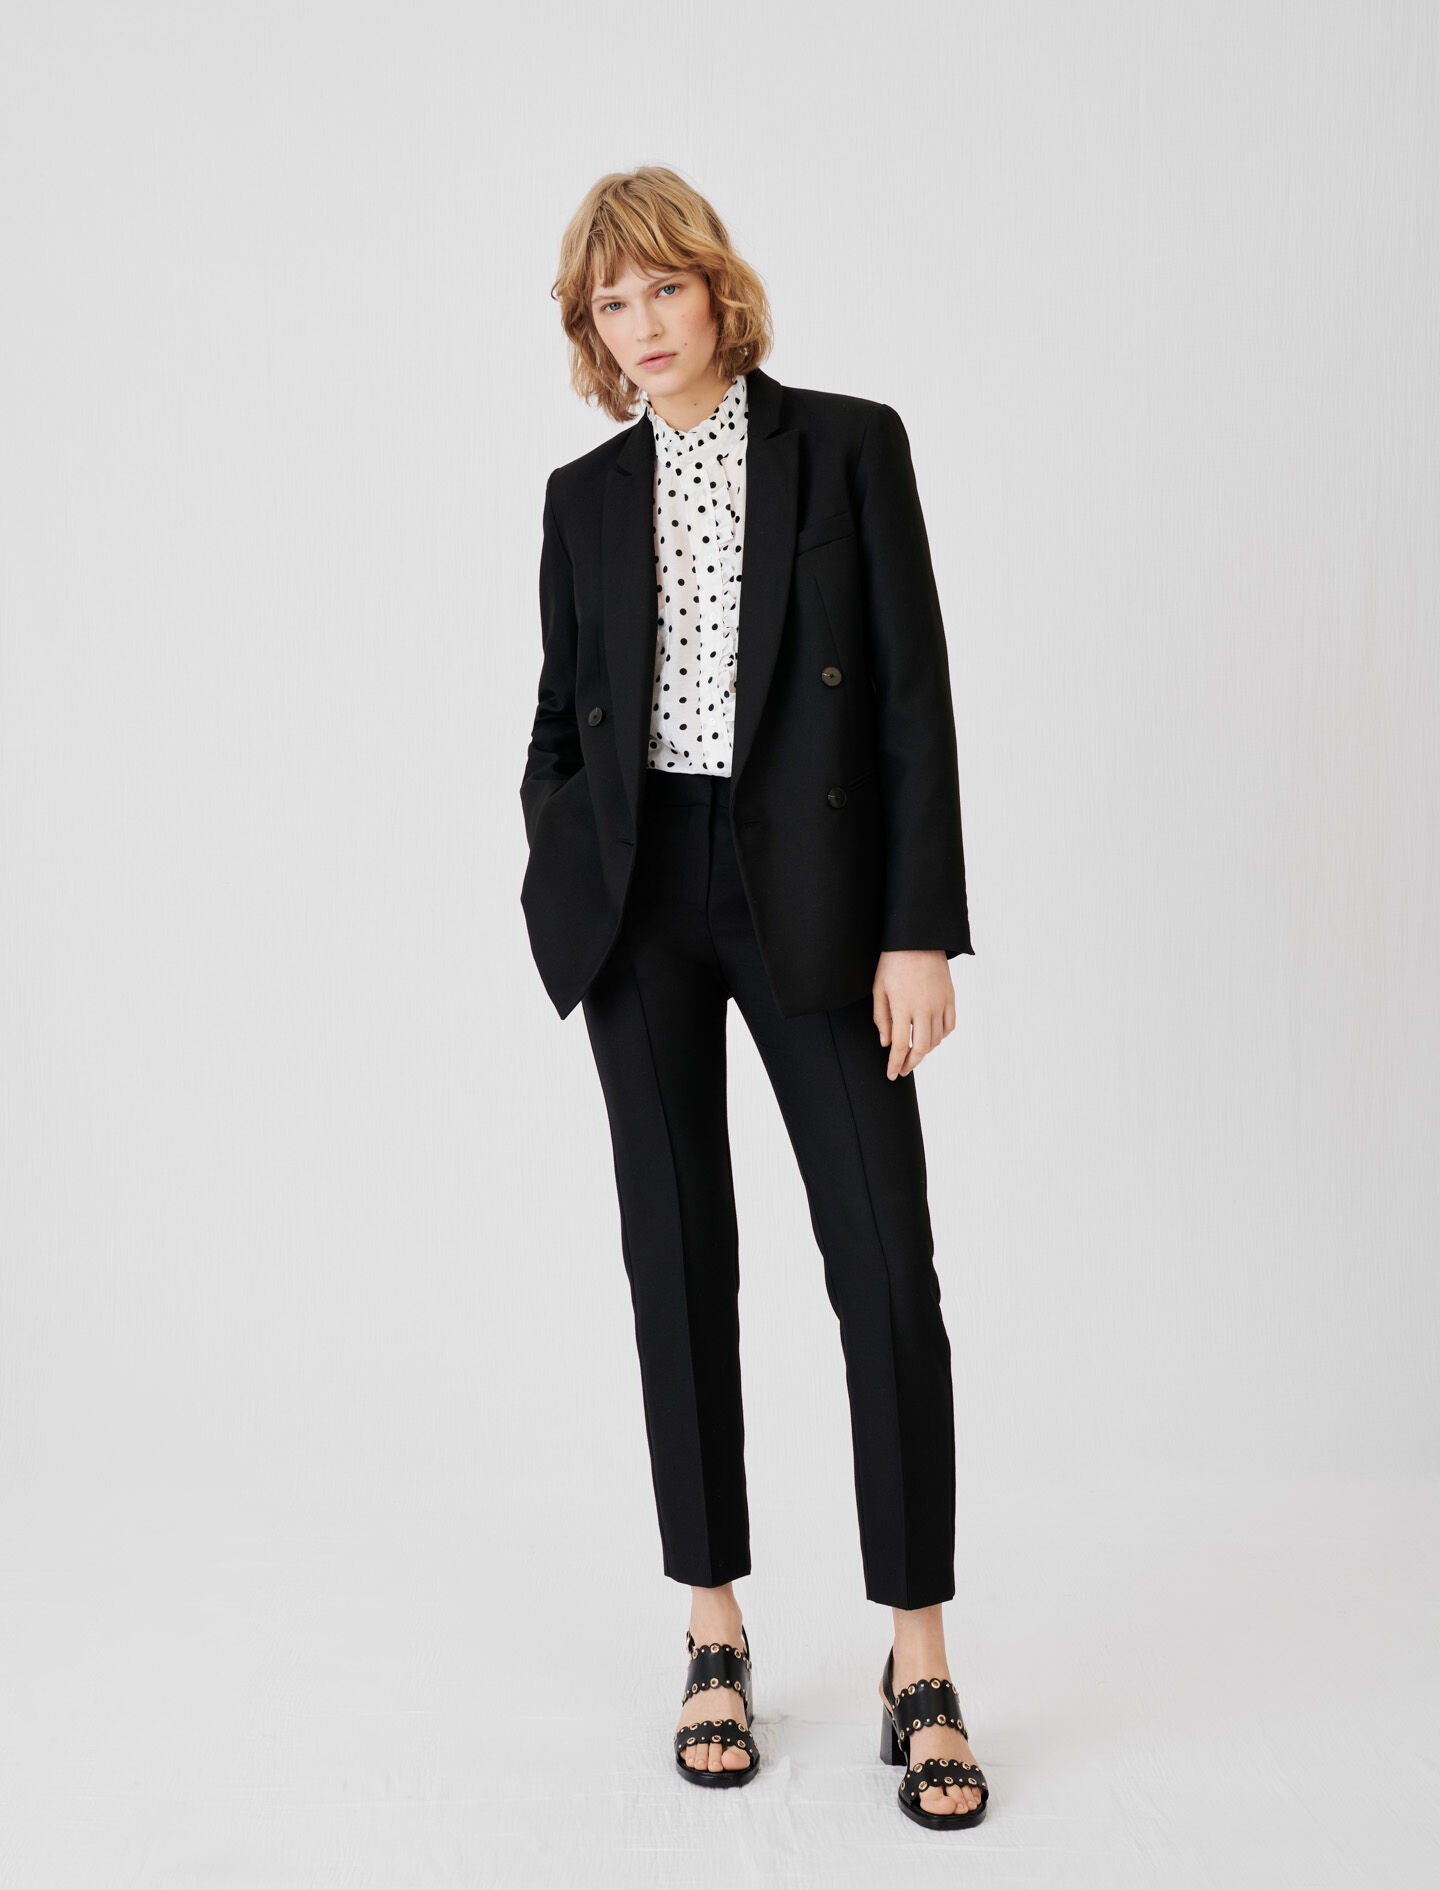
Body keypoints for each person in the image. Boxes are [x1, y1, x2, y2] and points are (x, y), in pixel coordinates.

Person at [518, 166, 988, 1830]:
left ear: (718, 288)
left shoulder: (847, 446)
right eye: (610, 304)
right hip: (638, 902)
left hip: (820, 895)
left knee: (885, 1267)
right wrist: (560, 868)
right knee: (679, 1265)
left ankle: (919, 1657)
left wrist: (918, 930)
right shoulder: (582, 496)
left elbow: (914, 694)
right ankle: (711, 1627)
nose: (640, 325)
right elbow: (563, 712)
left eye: (662, 288)